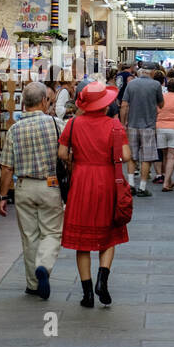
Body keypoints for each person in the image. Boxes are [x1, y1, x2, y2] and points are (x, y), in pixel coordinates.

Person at [59, 80, 133, 308]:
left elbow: (62, 153)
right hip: (107, 182)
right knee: (109, 235)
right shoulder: (115, 126)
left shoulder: (72, 124)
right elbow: (127, 156)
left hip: (81, 181)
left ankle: (87, 294)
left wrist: (79, 160)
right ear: (105, 104)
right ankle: (103, 278)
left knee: (82, 241)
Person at [0, 82, 64, 300]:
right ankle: (43, 265)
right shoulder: (57, 125)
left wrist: (3, 195)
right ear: (45, 101)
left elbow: (6, 167)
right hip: (50, 185)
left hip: (24, 186)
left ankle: (33, 284)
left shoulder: (14, 129)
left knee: (29, 235)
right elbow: (68, 155)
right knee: (52, 232)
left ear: (23, 104)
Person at [119, 63, 164, 196]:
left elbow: (124, 105)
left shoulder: (131, 84)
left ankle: (131, 184)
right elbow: (161, 104)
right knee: (147, 157)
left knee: (132, 156)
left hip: (132, 124)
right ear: (153, 72)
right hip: (148, 126)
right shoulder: (156, 85)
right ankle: (142, 187)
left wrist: (123, 123)